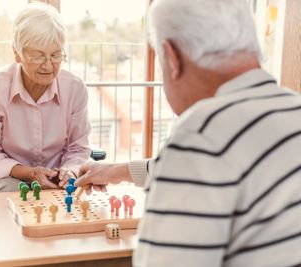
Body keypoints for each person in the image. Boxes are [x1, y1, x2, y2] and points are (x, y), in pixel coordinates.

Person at [75, 0, 301, 266]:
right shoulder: (291, 108)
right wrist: (116, 171)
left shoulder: (201, 134)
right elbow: (224, 167)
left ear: (172, 58)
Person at [0, 2, 91, 193]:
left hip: (57, 177)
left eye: (55, 55)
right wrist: (29, 174)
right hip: (4, 177)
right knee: (19, 193)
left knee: (73, 194)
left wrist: (69, 171)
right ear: (17, 54)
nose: (48, 66)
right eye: (37, 56)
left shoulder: (75, 89)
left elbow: (78, 148)